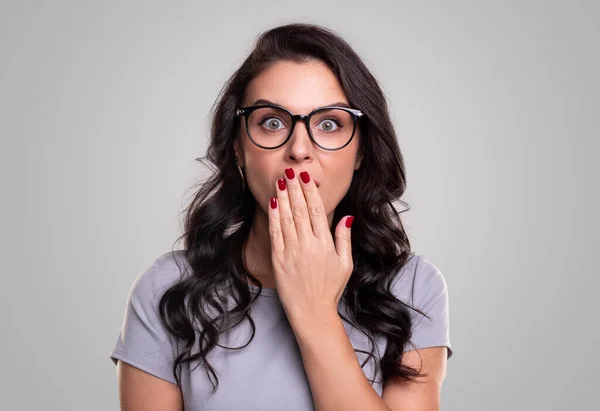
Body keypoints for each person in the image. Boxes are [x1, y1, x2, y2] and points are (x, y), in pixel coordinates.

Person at [109, 23, 453, 411]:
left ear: (361, 152)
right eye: (272, 122)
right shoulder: (167, 290)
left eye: (329, 123)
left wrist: (315, 313)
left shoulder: (412, 288)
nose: (299, 149)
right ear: (238, 148)